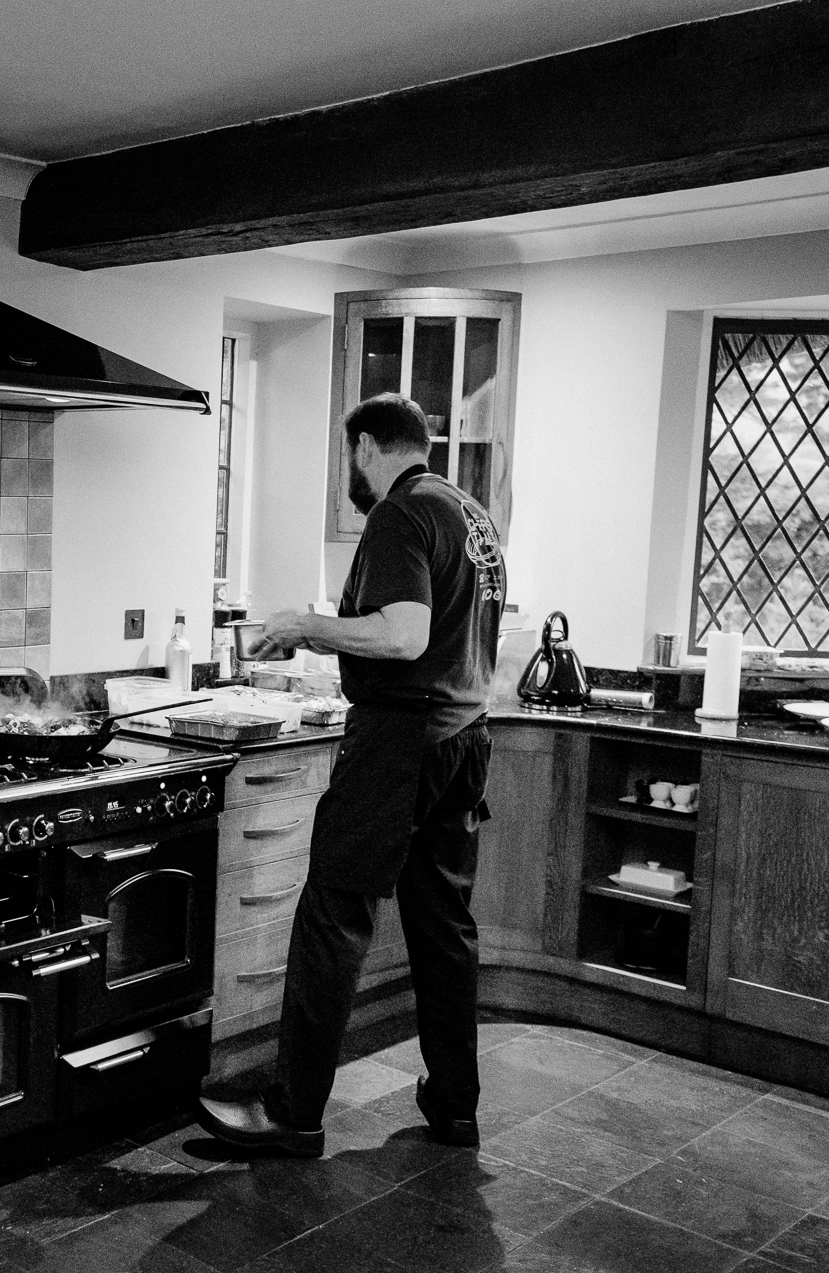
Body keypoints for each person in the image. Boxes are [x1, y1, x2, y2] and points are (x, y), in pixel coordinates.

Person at [196, 392, 506, 1157]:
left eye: (349, 459)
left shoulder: (400, 513)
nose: (350, 475)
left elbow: (404, 637)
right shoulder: (470, 514)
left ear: (367, 447)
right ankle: (456, 1104)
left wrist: (302, 625)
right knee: (444, 930)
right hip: (462, 741)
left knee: (333, 917)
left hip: (402, 746)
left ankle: (292, 1113)